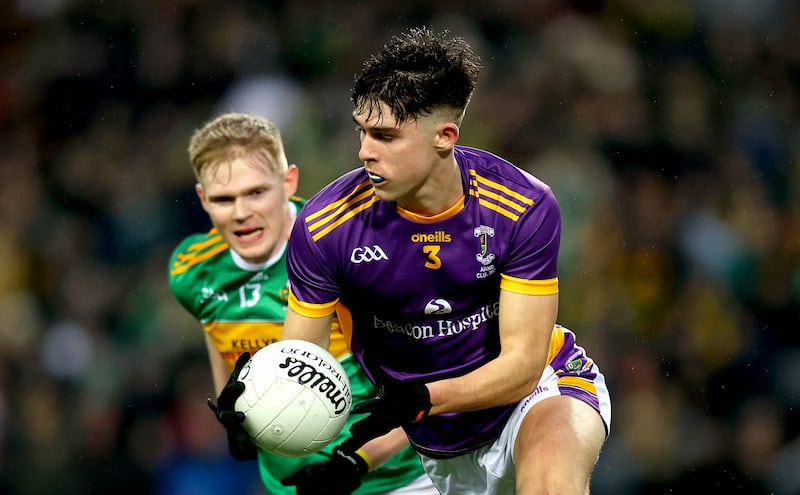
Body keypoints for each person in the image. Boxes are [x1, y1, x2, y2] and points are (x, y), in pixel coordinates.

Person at [281, 27, 612, 495]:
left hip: (538, 394)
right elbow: (299, 366)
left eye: (385, 136)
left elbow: (522, 364)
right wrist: (258, 404)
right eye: (362, 133)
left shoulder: (522, 206)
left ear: (445, 135)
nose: (364, 151)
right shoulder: (324, 227)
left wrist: (425, 398)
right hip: (438, 450)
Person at [167, 112, 438, 495]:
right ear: (202, 199)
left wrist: (357, 463)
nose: (242, 213)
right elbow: (217, 332)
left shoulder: (350, 248)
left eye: (256, 192)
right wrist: (237, 424)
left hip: (401, 482)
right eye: (224, 199)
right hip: (292, 488)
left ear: (288, 181)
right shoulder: (192, 270)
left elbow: (435, 381)